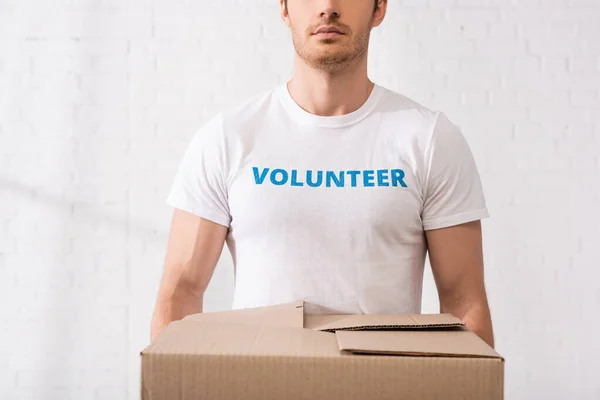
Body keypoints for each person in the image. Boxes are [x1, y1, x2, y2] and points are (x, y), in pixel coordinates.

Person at [150, 0, 495, 348]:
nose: (328, 7)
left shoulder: (430, 140)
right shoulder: (227, 138)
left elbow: (464, 304)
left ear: (379, 9)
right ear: (284, 9)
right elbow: (181, 291)